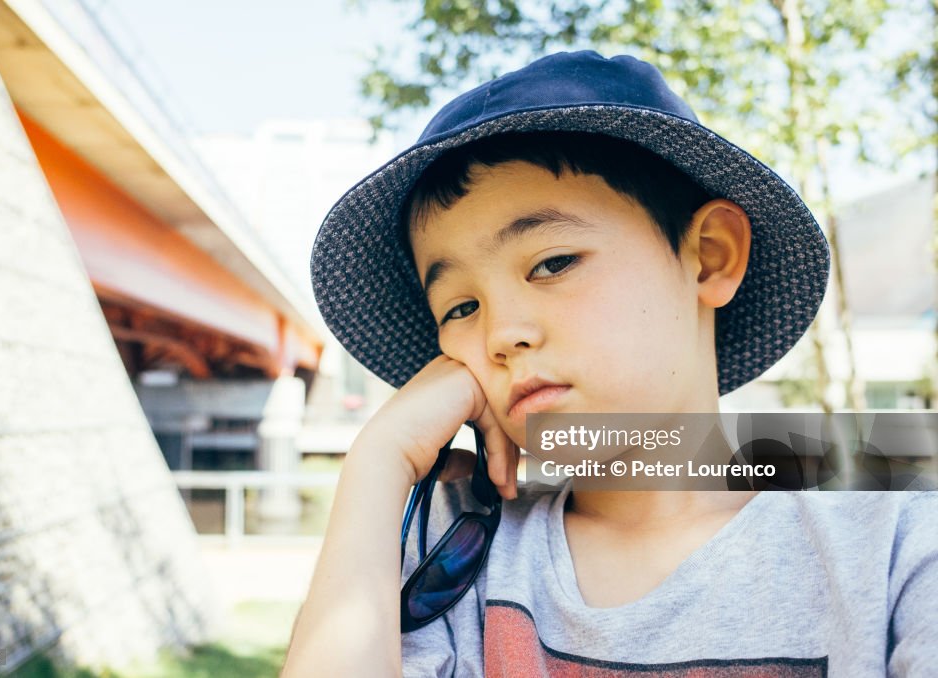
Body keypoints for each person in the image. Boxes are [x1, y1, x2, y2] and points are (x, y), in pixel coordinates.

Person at [282, 51, 938, 677]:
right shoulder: (452, 548)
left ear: (709, 255)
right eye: (459, 307)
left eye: (552, 263)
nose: (502, 334)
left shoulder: (893, 517)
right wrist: (377, 463)